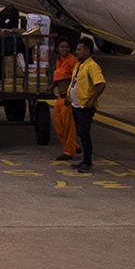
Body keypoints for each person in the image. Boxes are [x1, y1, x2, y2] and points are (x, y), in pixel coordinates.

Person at [69, 37, 105, 172]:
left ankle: (88, 162)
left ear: (88, 51)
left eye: (79, 50)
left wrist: (92, 100)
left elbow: (101, 84)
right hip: (76, 105)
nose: (77, 52)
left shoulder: (92, 66)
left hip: (85, 106)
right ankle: (84, 160)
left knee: (84, 134)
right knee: (80, 133)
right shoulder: (79, 64)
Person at [51, 37, 80, 161]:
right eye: (62, 47)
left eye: (66, 47)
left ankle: (68, 151)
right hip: (60, 96)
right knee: (59, 124)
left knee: (68, 125)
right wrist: (52, 85)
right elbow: (60, 77)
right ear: (58, 48)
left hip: (68, 98)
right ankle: (74, 146)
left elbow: (75, 80)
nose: (64, 49)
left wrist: (71, 96)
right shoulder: (59, 60)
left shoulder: (72, 61)